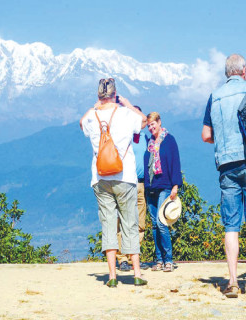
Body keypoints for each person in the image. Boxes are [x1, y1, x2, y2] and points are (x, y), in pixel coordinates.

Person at [202, 54, 246, 297]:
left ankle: (231, 281)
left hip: (226, 165)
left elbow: (206, 135)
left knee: (231, 224)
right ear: (243, 71)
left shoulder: (214, 96)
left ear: (226, 73)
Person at [80, 78, 148, 287]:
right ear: (115, 94)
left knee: (109, 224)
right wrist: (126, 103)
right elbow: (144, 121)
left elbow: (81, 123)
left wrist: (94, 107)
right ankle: (136, 273)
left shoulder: (92, 116)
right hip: (125, 176)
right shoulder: (126, 114)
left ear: (99, 95)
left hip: (100, 178)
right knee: (130, 222)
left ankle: (111, 276)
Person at [143, 112, 182, 272]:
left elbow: (175, 162)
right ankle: (159, 260)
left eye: (153, 124)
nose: (151, 128)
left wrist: (175, 185)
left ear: (159, 122)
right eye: (149, 126)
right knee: (154, 225)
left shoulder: (169, 140)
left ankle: (168, 260)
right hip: (151, 187)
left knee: (161, 222)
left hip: (165, 185)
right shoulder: (149, 143)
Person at [116, 106, 149, 272]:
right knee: (123, 221)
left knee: (139, 222)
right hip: (126, 181)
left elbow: (147, 120)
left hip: (142, 183)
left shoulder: (145, 137)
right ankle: (122, 257)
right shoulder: (124, 135)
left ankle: (133, 256)